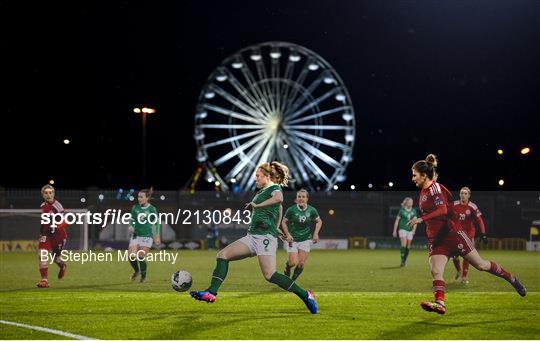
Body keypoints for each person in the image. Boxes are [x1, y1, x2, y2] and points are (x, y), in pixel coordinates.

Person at [190, 161, 318, 314]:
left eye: (258, 176)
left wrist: (258, 207)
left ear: (267, 176)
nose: (255, 179)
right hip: (252, 236)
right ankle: (211, 292)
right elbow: (279, 209)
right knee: (222, 255)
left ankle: (306, 295)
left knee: (270, 275)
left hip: (264, 238)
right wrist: (277, 228)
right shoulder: (261, 192)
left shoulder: (275, 188)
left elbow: (279, 200)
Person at [407, 154, 526, 315]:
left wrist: (421, 219)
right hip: (437, 240)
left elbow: (442, 210)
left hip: (452, 235)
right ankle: (440, 303)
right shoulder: (423, 191)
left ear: (424, 175)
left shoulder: (434, 188)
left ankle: (511, 278)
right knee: (436, 270)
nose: (412, 178)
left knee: (481, 265)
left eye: (414, 175)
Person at [281, 189, 323, 280]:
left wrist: (316, 234)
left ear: (307, 199)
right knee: (292, 263)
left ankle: (292, 282)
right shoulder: (291, 210)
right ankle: (287, 267)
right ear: (296, 198)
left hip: (305, 239)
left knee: (301, 263)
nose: (301, 198)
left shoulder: (312, 210)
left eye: (303, 197)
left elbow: (319, 221)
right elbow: (283, 222)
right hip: (293, 239)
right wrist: (287, 234)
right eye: (299, 196)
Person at [450, 187, 487, 283]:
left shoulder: (472, 206)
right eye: (462, 193)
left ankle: (464, 277)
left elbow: (479, 220)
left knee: (468, 256)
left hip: (469, 234)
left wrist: (483, 233)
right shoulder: (454, 204)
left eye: (465, 193)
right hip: (457, 234)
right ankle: (459, 270)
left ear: (469, 195)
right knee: (454, 256)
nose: (463, 195)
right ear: (459, 194)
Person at [37, 185, 68, 288]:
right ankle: (44, 280)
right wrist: (42, 231)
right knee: (42, 254)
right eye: (46, 193)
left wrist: (56, 226)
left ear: (53, 194)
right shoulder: (42, 206)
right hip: (46, 235)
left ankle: (62, 265)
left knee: (56, 258)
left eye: (50, 192)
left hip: (59, 236)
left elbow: (66, 221)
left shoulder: (58, 206)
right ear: (43, 195)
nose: (48, 194)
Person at [128, 188, 161, 283]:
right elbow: (132, 219)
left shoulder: (152, 209)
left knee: (141, 256)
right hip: (135, 235)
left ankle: (143, 276)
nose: (139, 199)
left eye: (141, 197)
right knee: (131, 256)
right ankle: (136, 271)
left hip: (146, 235)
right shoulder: (135, 208)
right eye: (138, 197)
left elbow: (156, 223)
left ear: (147, 198)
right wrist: (131, 226)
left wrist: (157, 235)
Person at [392, 197, 418, 267]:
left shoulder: (414, 211)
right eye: (410, 202)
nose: (411, 203)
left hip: (410, 230)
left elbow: (415, 222)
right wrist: (394, 230)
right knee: (404, 244)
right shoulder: (401, 210)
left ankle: (405, 259)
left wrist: (414, 230)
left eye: (412, 202)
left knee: (408, 246)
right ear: (406, 203)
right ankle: (402, 260)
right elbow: (397, 221)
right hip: (402, 229)